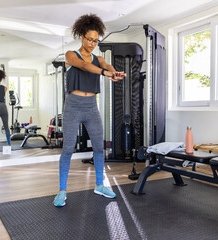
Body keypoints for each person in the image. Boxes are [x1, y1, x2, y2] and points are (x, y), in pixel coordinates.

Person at [53, 14, 126, 207]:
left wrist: (113, 71)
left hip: (92, 106)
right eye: (89, 39)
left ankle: (100, 185)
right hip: (73, 106)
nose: (93, 43)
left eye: (96, 40)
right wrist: (105, 73)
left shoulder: (99, 58)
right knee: (68, 149)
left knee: (99, 148)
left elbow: (106, 65)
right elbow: (85, 66)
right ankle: (62, 191)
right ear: (81, 36)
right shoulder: (70, 55)